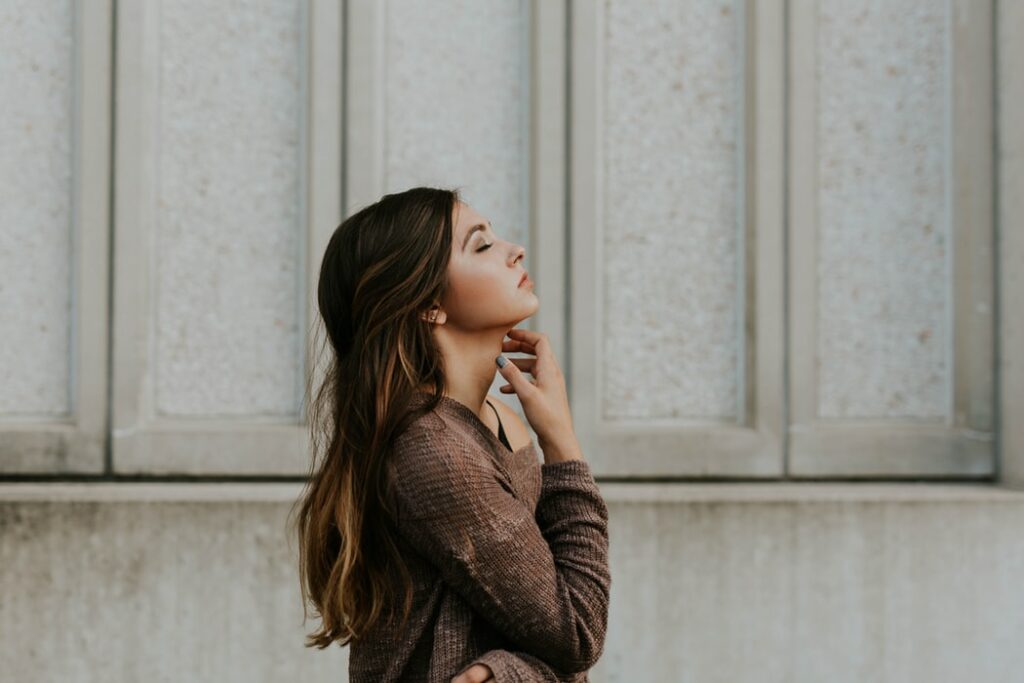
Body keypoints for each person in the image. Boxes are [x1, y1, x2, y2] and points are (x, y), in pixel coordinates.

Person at [290, 187, 611, 682]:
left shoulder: (501, 421)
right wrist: (564, 446)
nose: (514, 249)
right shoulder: (434, 451)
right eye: (481, 245)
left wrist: (510, 670)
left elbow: (548, 627)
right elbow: (578, 631)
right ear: (428, 304)